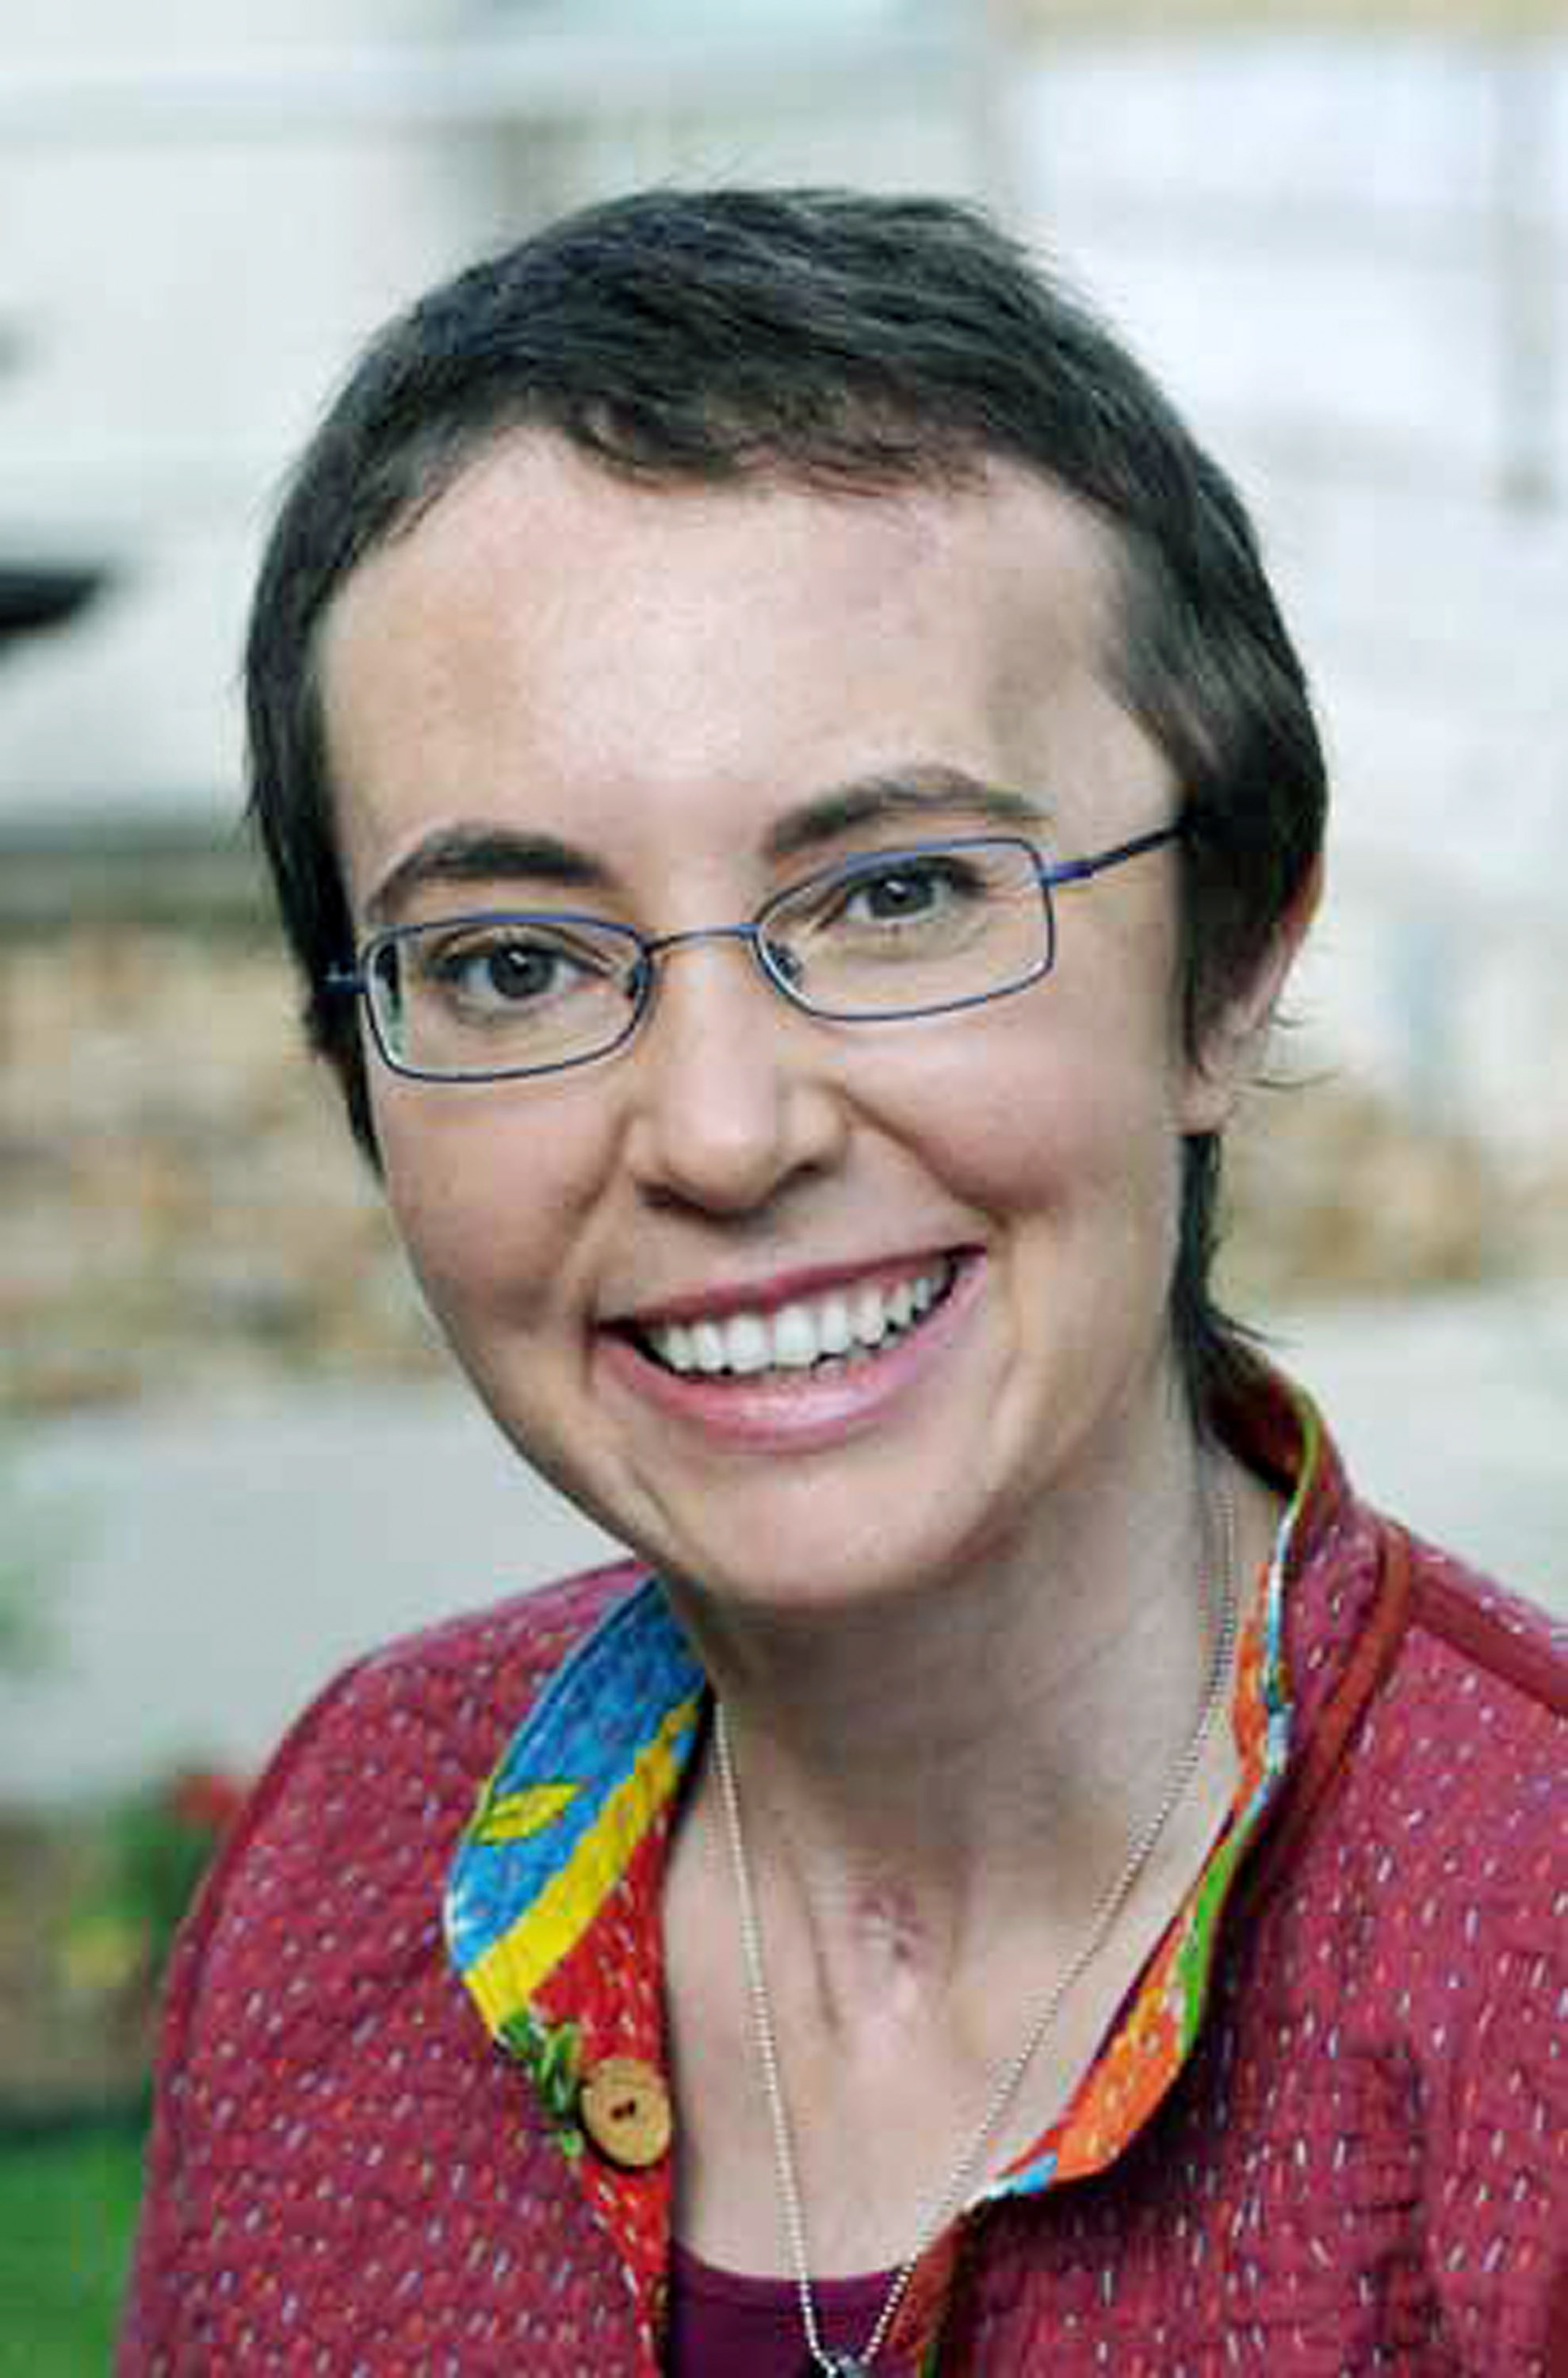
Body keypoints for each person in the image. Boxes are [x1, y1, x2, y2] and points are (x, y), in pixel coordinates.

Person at [120, 188, 1565, 2375]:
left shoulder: (1523, 1975)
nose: (717, 1130)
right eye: (511, 960)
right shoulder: (349, 1854)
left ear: (1230, 955)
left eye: (894, 895)